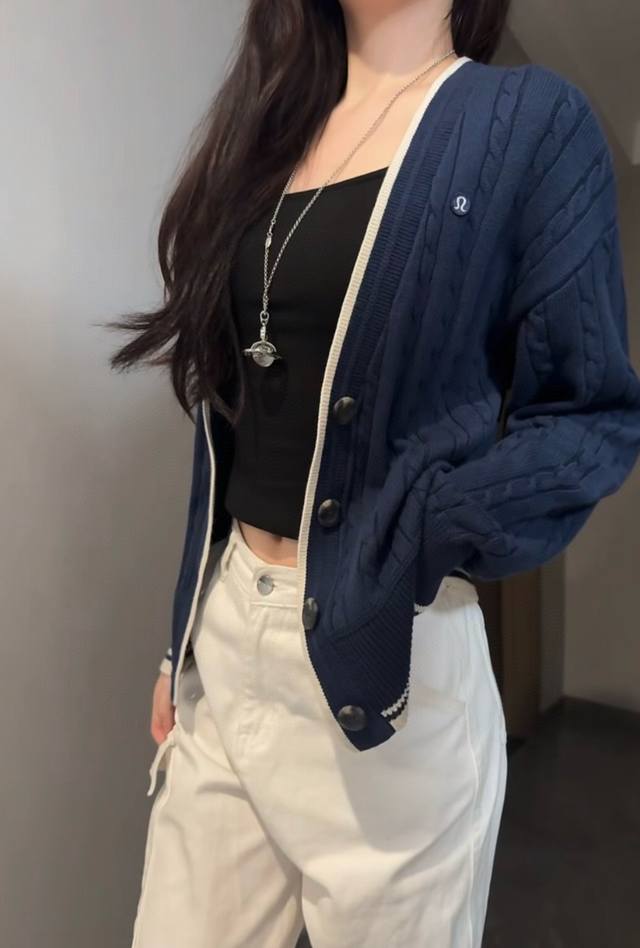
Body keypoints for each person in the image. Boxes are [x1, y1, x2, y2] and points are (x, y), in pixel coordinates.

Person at [107, 1, 640, 945]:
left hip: (395, 669)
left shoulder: (531, 123)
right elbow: (233, 415)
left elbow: (588, 414)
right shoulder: (268, 128)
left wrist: (423, 532)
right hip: (227, 643)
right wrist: (180, 637)